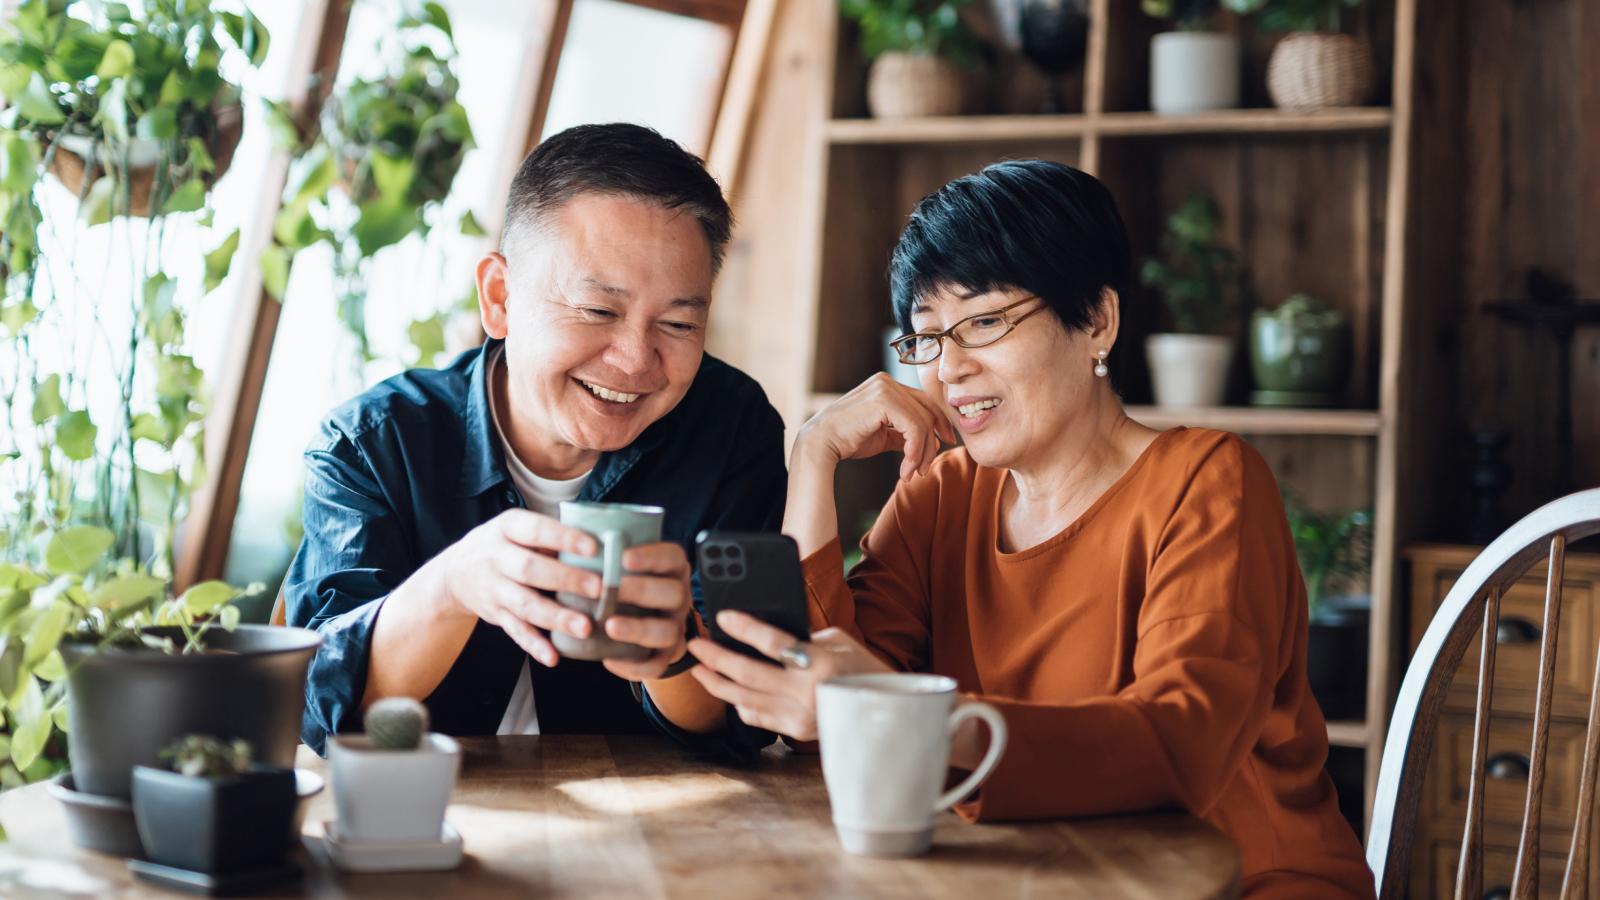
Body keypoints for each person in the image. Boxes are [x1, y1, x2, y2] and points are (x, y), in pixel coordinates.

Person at [687, 160, 1376, 898]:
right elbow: (818, 704)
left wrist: (903, 717)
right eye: (925, 337)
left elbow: (1181, 744)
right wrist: (814, 456)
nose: (948, 368)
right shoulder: (942, 496)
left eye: (984, 322)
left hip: (1238, 883)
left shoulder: (1207, 482)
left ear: (1097, 321)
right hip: (1033, 880)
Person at [287, 123, 783, 758]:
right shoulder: (375, 445)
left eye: (680, 322)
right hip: (427, 814)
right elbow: (326, 711)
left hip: (654, 833)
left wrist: (673, 654)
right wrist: (453, 585)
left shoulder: (731, 430)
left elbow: (747, 718)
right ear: (500, 297)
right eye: (598, 311)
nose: (635, 360)